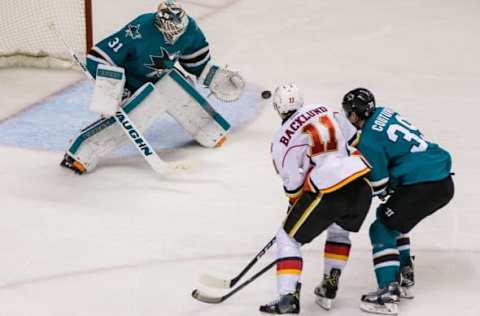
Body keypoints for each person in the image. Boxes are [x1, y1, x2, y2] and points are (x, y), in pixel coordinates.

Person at [60, 0, 244, 174]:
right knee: (134, 117)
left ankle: (209, 130)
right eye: (169, 30)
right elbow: (99, 57)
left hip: (162, 78)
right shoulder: (139, 28)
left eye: (178, 29)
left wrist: (213, 76)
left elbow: (196, 60)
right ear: (158, 23)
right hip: (132, 86)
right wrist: (111, 86)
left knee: (179, 88)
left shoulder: (190, 29)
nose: (174, 35)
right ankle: (81, 153)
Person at [259, 84, 373, 314]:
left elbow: (292, 184)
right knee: (339, 231)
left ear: (278, 108)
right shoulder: (323, 108)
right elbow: (353, 137)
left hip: (329, 189)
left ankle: (287, 299)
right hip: (361, 184)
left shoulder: (281, 139)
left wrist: (295, 204)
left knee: (287, 238)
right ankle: (329, 287)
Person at [341, 88, 454, 315]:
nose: (348, 118)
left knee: (381, 229)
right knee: (392, 218)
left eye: (349, 113)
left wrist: (349, 196)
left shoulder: (368, 139)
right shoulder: (384, 112)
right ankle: (405, 273)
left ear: (355, 114)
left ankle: (387, 293)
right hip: (440, 178)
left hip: (423, 184)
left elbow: (380, 183)